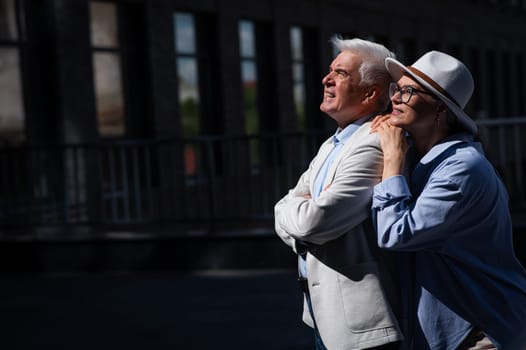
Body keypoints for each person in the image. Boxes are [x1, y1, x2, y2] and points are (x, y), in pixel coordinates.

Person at [371, 50, 526, 349]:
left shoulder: (461, 168)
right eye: (396, 89)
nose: (395, 98)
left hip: (482, 332)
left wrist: (391, 160)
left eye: (408, 91)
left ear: (440, 108)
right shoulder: (421, 160)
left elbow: (395, 234)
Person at [274, 37, 403, 350]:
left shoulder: (373, 145)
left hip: (362, 326)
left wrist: (299, 212)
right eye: (330, 70)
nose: (326, 79)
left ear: (371, 93)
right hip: (322, 311)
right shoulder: (332, 144)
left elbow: (313, 222)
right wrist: (297, 210)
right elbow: (284, 209)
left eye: (341, 73)